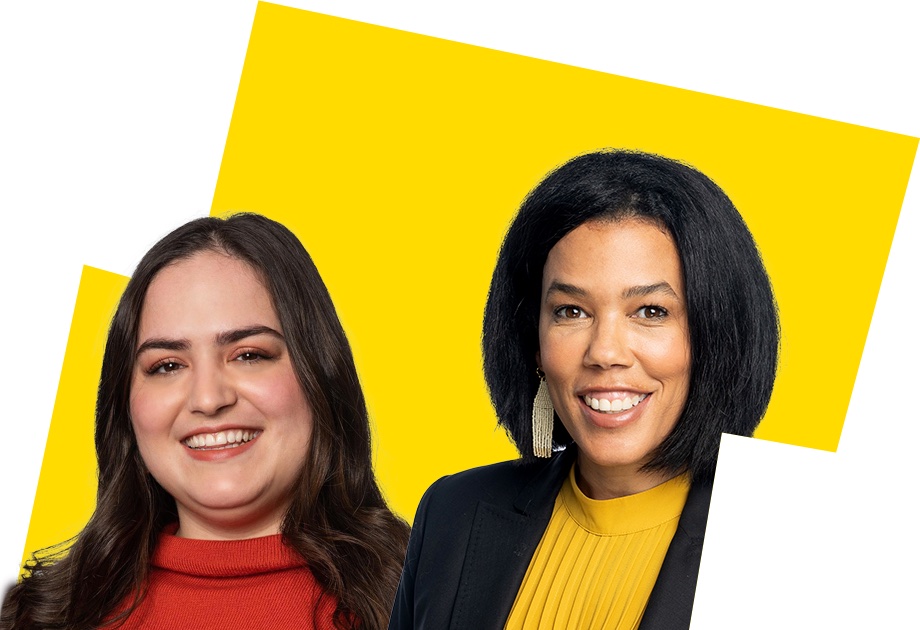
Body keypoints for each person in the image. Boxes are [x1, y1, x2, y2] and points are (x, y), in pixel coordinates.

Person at [389, 150, 779, 629]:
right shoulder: (453, 513)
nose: (605, 352)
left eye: (650, 311)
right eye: (571, 311)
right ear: (533, 341)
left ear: (714, 334)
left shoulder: (793, 545)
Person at [1, 213, 409, 630]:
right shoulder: (37, 618)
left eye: (249, 355)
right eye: (167, 365)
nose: (209, 399)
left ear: (319, 374)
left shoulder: (430, 596)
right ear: (125, 405)